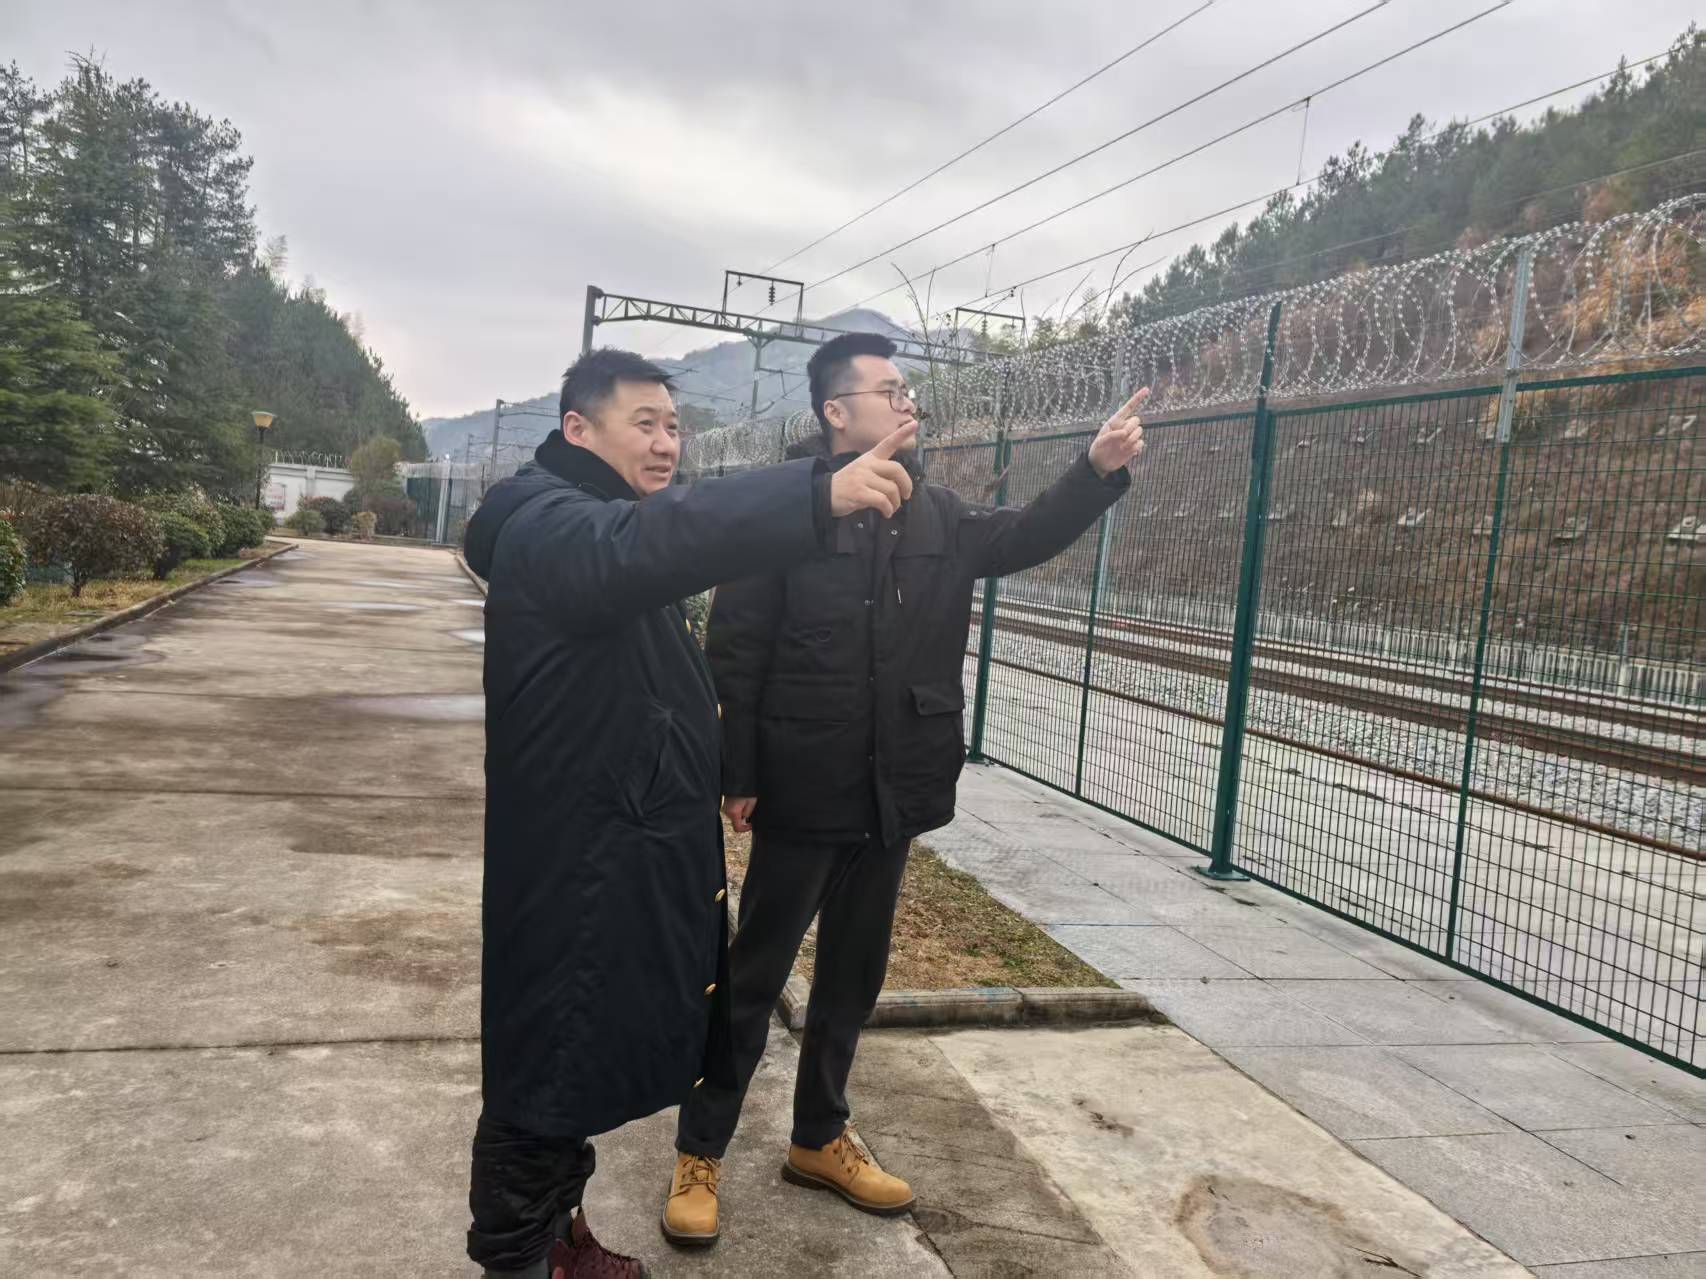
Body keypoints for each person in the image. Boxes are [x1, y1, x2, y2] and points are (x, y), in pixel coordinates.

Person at [662, 332, 1148, 1245]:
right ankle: (700, 1150)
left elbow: (1026, 534)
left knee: (853, 976)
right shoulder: (787, 514)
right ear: (835, 412)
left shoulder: (939, 514)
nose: (907, 400)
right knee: (754, 976)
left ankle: (818, 1136)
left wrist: (1094, 469)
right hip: (804, 784)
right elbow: (738, 648)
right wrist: (740, 772)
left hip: (894, 791)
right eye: (887, 389)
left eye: (907, 387)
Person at [461, 347, 918, 1278]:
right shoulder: (555, 525)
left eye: (674, 426)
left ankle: (559, 1238)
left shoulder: (584, 513)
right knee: (545, 1070)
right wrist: (813, 495)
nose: (667, 444)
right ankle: (522, 1261)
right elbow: (653, 544)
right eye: (645, 424)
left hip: (605, 850)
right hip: (574, 866)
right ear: (577, 428)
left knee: (572, 1062)